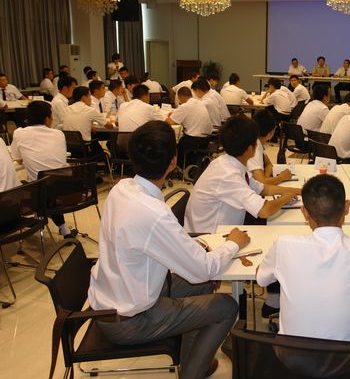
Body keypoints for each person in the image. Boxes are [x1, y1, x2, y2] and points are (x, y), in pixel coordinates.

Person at [88, 120, 248, 379]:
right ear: (173, 161)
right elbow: (203, 268)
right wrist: (233, 243)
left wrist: (193, 251)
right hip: (132, 320)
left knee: (203, 284)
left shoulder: (121, 190)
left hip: (113, 300)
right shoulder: (154, 214)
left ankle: (190, 360)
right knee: (226, 306)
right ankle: (193, 373)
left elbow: (156, 246)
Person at [257, 174, 350, 342]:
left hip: (290, 354)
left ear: (304, 212)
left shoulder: (284, 245)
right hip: (348, 357)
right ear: (347, 207)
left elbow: (262, 279)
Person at [184, 115, 301, 234]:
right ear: (250, 149)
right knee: (280, 229)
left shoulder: (227, 161)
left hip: (227, 225)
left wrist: (298, 191)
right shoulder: (228, 175)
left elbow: (262, 188)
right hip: (212, 235)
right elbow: (264, 211)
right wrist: (285, 198)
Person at [11, 101, 75, 238]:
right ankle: (63, 229)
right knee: (47, 184)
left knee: (34, 184)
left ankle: (40, 219)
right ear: (47, 119)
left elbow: (17, 159)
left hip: (40, 189)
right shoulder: (59, 134)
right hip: (65, 187)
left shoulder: (19, 133)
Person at [165, 86, 212, 168]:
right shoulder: (199, 103)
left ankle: (179, 168)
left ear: (181, 97)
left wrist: (171, 116)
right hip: (206, 139)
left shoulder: (185, 106)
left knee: (174, 145)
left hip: (194, 141)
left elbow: (169, 122)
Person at [248, 109, 292, 185]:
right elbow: (261, 184)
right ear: (271, 133)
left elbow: (268, 164)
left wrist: (265, 177)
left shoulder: (256, 141)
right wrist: (282, 177)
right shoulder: (254, 149)